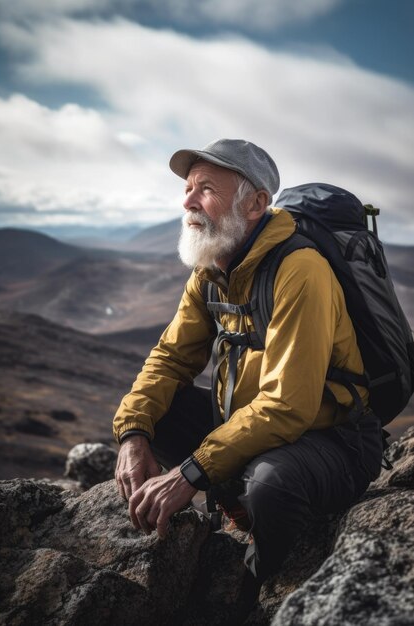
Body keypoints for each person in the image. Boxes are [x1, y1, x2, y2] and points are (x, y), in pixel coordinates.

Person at [113, 138, 383, 611]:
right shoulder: (212, 269)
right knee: (162, 410)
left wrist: (190, 474)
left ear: (257, 203)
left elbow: (287, 406)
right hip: (259, 425)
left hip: (336, 438)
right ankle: (237, 509)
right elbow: (171, 358)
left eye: (206, 189)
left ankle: (259, 589)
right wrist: (133, 433)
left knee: (270, 485)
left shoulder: (301, 270)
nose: (188, 201)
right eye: (189, 188)